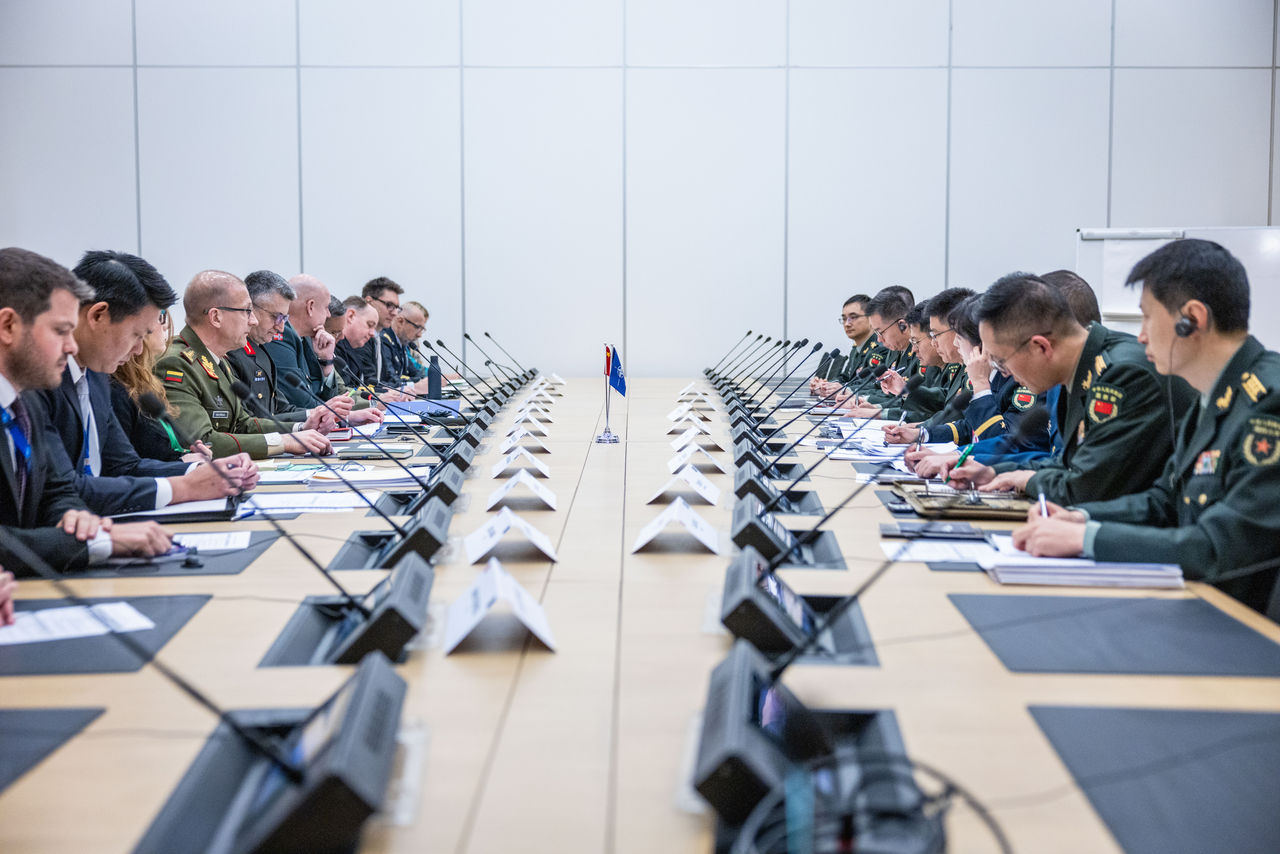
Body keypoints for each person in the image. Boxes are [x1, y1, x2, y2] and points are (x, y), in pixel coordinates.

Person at [1014, 239, 1280, 614]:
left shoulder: (1268, 404)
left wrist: (1087, 538)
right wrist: (1084, 517)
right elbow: (1163, 501)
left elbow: (1219, 548)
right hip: (1202, 606)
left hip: (1249, 630)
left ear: (1193, 320)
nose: (1140, 336)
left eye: (1147, 318)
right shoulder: (1214, 396)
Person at [32, 250, 255, 516]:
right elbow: (65, 490)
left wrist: (201, 471)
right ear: (98, 316)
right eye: (137, 334)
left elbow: (124, 466)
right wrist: (182, 487)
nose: (139, 350)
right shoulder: (42, 383)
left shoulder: (96, 377)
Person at [948, 271, 1194, 504]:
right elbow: (1066, 463)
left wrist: (1027, 479)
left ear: (1041, 347)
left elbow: (1089, 485)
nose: (1004, 372)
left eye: (1001, 360)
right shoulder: (1074, 372)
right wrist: (992, 471)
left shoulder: (1121, 375)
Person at [0, 247, 170, 572]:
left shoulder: (23, 403)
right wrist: (97, 542)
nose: (72, 345)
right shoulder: (37, 394)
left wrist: (74, 517)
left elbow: (55, 491)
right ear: (8, 326)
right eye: (60, 331)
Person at [154, 271, 333, 459]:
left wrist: (300, 428)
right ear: (216, 317)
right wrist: (284, 442)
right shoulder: (176, 363)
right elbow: (202, 441)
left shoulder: (217, 359)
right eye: (247, 311)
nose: (253, 320)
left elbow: (243, 423)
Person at [228, 270, 379, 427]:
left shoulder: (303, 340)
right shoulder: (267, 342)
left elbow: (283, 408)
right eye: (277, 317)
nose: (280, 327)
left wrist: (339, 416)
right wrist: (321, 418)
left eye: (284, 319)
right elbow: (297, 401)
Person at [812, 294, 880, 396]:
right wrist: (826, 385)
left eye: (853, 317)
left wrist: (843, 389)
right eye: (844, 319)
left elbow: (871, 385)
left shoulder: (880, 348)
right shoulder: (857, 347)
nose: (847, 324)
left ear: (870, 318)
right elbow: (845, 377)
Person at [334, 296, 382, 389]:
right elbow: (341, 392)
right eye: (369, 325)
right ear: (351, 316)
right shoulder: (332, 346)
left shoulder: (352, 349)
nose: (372, 333)